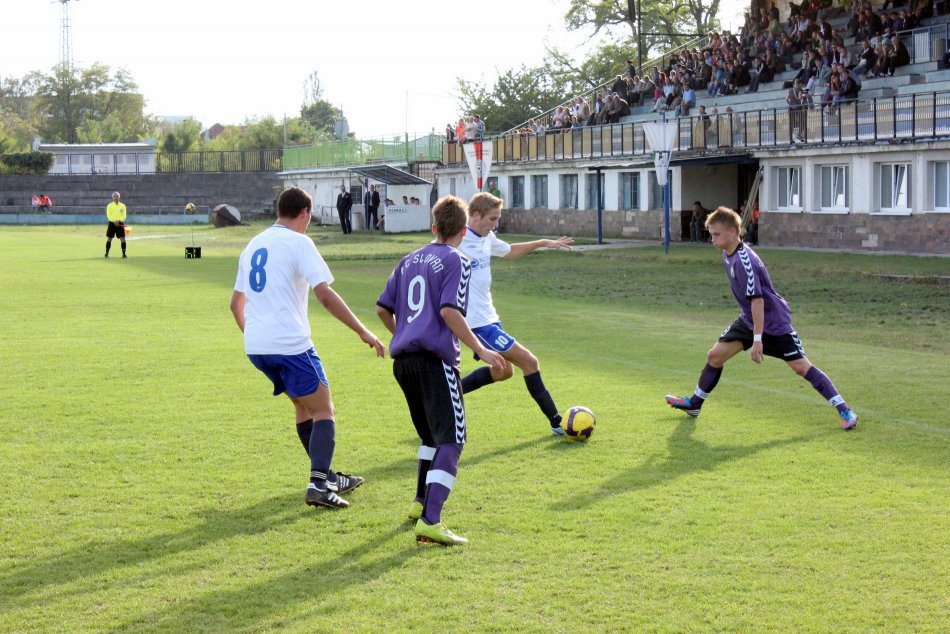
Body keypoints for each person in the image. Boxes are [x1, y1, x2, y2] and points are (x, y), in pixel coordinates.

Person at [229, 187, 386, 510]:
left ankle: (327, 476)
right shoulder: (300, 243)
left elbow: (235, 304)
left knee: (304, 408)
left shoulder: (253, 244)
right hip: (290, 344)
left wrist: (257, 336)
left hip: (257, 347)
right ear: (304, 213)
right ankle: (318, 485)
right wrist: (363, 331)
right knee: (323, 410)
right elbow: (325, 295)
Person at [376, 195, 505, 546]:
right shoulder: (457, 259)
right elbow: (450, 311)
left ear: (434, 227)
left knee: (430, 437)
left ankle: (420, 503)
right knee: (452, 439)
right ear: (463, 230)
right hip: (435, 361)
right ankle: (432, 521)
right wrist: (481, 349)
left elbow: (382, 309)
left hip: (403, 362)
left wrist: (405, 334)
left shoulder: (408, 260)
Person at [665, 206, 858, 430]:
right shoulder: (728, 253)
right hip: (749, 319)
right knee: (715, 356)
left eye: (716, 234)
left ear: (734, 231)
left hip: (773, 323)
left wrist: (758, 340)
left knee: (800, 367)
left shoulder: (745, 260)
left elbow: (758, 301)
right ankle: (695, 403)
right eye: (711, 234)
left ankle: (845, 410)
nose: (712, 239)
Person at [457, 192, 574, 435]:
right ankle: (556, 422)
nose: (496, 224)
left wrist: (542, 242)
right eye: (493, 218)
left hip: (491, 319)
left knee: (503, 371)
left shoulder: (486, 237)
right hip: (476, 324)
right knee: (530, 362)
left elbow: (509, 251)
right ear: (475, 215)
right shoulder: (458, 240)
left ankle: (448, 393)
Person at [105, 192, 128, 258]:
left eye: (117, 196)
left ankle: (124, 254)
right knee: (109, 239)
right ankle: (107, 253)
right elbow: (109, 215)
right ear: (112, 197)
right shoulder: (109, 205)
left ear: (119, 197)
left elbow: (124, 216)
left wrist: (119, 221)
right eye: (114, 196)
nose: (116, 197)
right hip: (112, 223)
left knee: (123, 239)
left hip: (120, 223)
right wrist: (114, 221)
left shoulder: (123, 206)